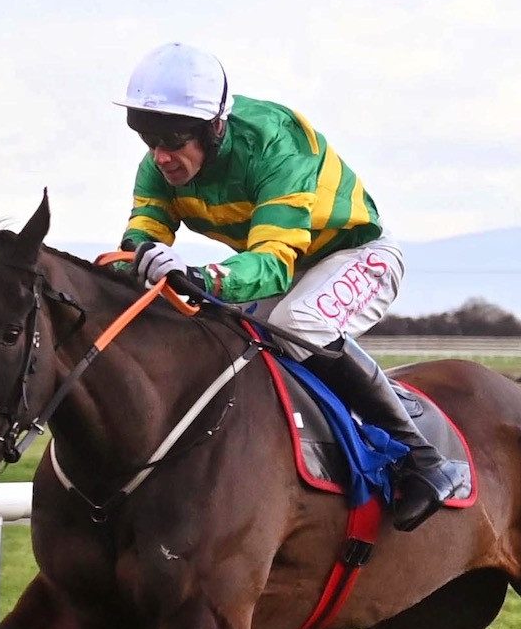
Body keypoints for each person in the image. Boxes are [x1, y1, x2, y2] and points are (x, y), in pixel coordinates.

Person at [110, 42, 470, 530]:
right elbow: (143, 233)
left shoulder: (277, 144)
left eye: (172, 140)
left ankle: (423, 458)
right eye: (148, 138)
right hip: (286, 267)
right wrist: (131, 261)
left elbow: (274, 264)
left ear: (214, 128)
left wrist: (200, 277)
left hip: (355, 254)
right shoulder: (157, 166)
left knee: (297, 321)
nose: (161, 157)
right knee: (224, 339)